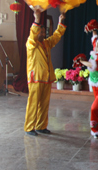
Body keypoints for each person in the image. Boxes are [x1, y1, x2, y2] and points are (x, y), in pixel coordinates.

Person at [24, 8, 66, 136]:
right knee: (33, 104)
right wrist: (37, 19)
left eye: (43, 32)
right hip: (36, 78)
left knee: (44, 104)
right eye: (40, 32)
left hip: (46, 78)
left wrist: (61, 22)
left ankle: (41, 126)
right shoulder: (31, 44)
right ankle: (29, 127)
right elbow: (32, 34)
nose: (43, 34)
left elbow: (56, 36)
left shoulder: (46, 43)